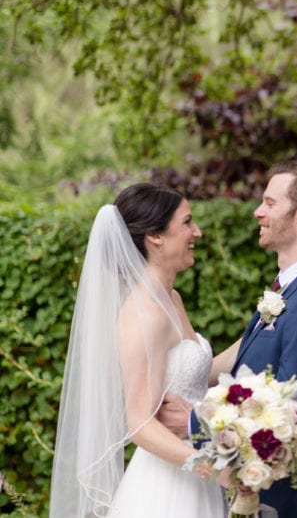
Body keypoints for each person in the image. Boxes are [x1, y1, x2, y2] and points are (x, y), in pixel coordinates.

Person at [162, 160, 297, 517]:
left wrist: (193, 423)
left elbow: (295, 411)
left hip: (283, 505)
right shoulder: (287, 291)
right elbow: (240, 368)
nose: (258, 212)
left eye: (270, 202)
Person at [49, 184, 232, 517]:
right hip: (169, 487)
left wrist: (265, 326)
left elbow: (193, 374)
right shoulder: (145, 313)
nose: (198, 232)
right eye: (187, 222)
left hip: (195, 474)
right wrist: (215, 470)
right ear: (156, 236)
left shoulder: (170, 299)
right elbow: (140, 424)